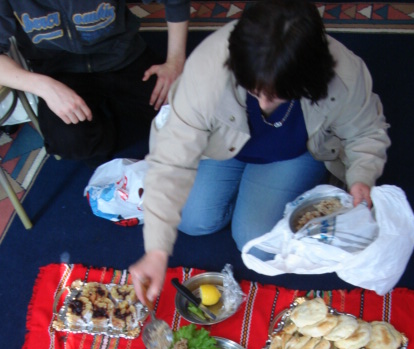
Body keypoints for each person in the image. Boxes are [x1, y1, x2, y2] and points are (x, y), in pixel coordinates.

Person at [129, 0, 390, 304]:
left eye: (279, 95)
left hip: (294, 152)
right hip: (221, 149)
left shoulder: (344, 73)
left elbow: (365, 132)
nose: (264, 105)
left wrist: (361, 176)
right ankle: (248, 193)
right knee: (192, 220)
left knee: (254, 237)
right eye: (254, 90)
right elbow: (171, 156)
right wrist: (157, 251)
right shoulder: (206, 70)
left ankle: (286, 188)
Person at [0, 0, 190, 162]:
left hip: (123, 56)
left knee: (186, 116)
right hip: (60, 72)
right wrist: (45, 87)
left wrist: (175, 62)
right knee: (71, 143)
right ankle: (105, 130)